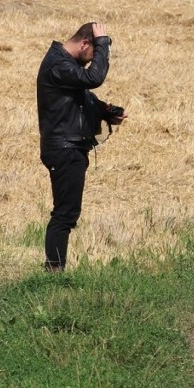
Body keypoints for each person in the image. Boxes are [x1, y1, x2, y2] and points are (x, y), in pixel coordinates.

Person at [36, 21, 125, 271]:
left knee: (67, 212)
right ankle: (53, 272)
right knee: (64, 214)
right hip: (64, 148)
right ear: (85, 43)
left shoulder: (65, 65)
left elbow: (84, 98)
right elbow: (94, 79)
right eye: (92, 54)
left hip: (69, 147)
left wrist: (107, 113)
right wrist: (103, 43)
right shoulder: (58, 64)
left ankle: (54, 269)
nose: (90, 61)